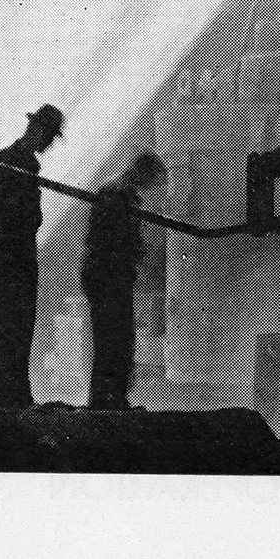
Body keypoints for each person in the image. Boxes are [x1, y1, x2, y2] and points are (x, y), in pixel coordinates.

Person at [0, 102, 64, 408]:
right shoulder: (8, 160)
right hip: (7, 255)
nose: (49, 143)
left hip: (16, 254)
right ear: (37, 130)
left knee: (17, 328)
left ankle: (12, 394)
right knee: (12, 327)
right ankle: (10, 395)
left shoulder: (23, 164)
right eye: (48, 135)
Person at [81, 150, 166, 411]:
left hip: (103, 274)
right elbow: (118, 239)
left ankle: (105, 396)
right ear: (144, 174)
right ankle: (110, 397)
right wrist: (137, 252)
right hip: (111, 276)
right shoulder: (120, 195)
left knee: (109, 337)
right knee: (116, 338)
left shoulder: (111, 189)